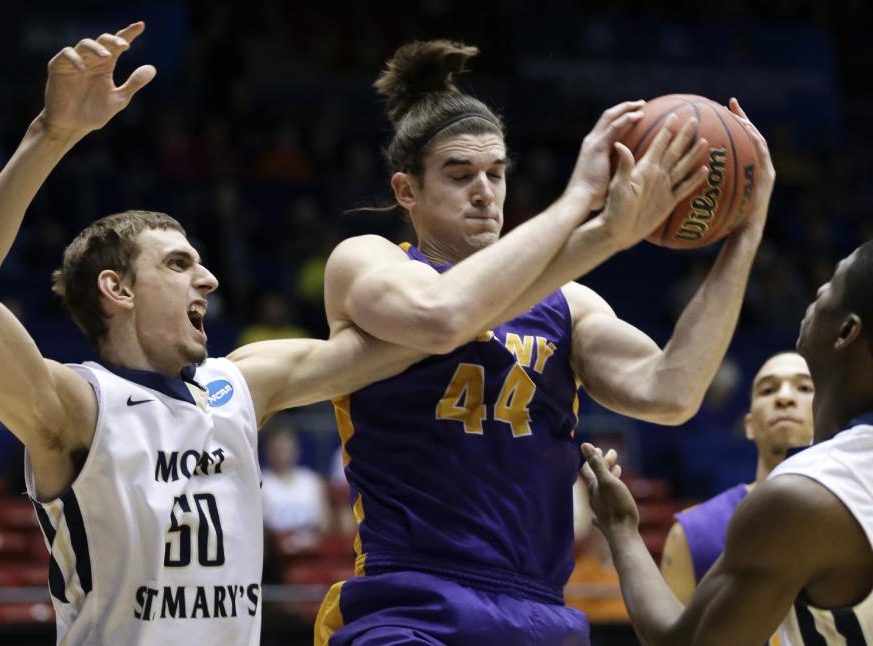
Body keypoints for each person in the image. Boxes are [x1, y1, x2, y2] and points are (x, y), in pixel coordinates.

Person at [0, 24, 430, 646]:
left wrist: (553, 254)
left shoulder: (240, 383)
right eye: (178, 264)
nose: (209, 279)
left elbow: (421, 332)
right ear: (119, 290)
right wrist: (49, 137)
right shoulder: (78, 406)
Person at [314, 40, 773, 645]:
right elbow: (444, 317)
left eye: (497, 174)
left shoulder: (568, 302)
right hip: (411, 603)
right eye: (460, 175)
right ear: (407, 191)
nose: (485, 191)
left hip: (538, 611)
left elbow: (672, 391)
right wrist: (582, 204)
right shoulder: (368, 261)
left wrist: (745, 231)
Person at [581, 240, 873, 644]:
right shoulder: (704, 528)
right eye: (768, 388)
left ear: (846, 331)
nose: (819, 289)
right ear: (749, 422)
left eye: (834, 283)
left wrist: (620, 529)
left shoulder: (807, 497)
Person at [661, 352, 814, 603]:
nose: (785, 398)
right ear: (749, 425)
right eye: (768, 390)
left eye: (804, 387)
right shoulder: (693, 533)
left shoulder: (862, 516)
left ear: (827, 411)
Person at [260, 424, 331, 539]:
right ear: (268, 450)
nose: (282, 454)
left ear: (296, 449)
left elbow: (325, 524)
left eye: (286, 448)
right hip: (275, 548)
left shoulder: (311, 480)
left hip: (311, 546)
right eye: (277, 449)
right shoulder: (261, 482)